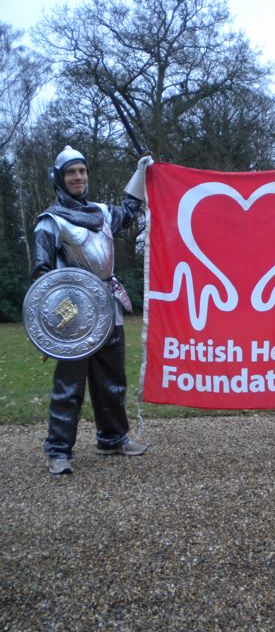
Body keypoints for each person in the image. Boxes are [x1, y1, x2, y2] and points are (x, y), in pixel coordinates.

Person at [32, 145, 153, 474]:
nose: (78, 177)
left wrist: (141, 172)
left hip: (109, 305)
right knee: (69, 385)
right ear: (60, 178)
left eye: (82, 171)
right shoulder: (50, 222)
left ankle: (113, 438)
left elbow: (129, 209)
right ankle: (59, 450)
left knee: (112, 380)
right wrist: (50, 328)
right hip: (72, 315)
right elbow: (42, 277)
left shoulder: (102, 212)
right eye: (71, 172)